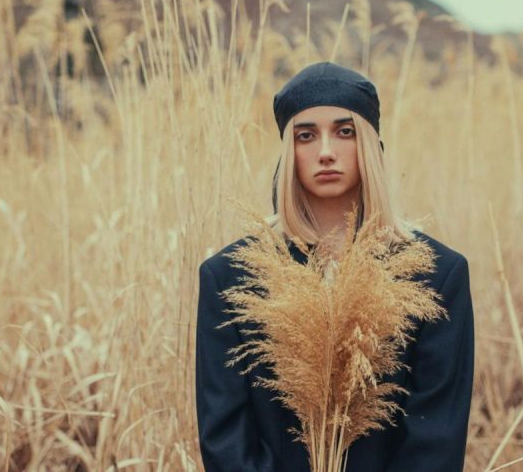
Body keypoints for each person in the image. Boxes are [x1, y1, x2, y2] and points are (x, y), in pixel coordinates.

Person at [195, 61, 475, 471]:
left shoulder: (435, 274)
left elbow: (436, 440)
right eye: (305, 136)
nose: (325, 151)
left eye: (345, 132)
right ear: (288, 153)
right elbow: (225, 437)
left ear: (370, 145)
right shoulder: (230, 277)